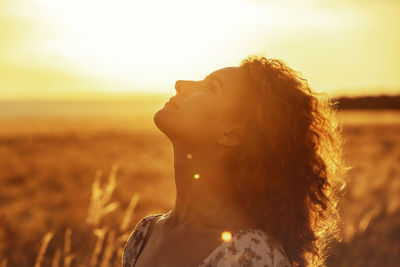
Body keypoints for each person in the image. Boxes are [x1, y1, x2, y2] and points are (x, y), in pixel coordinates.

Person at [122, 55, 346, 267]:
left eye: (211, 87)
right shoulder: (145, 233)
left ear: (230, 133)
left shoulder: (251, 255)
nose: (180, 84)